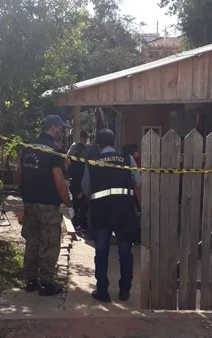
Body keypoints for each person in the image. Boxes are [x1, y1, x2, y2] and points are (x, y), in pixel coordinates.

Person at [15, 114, 74, 296]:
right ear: (54, 128)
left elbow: (19, 174)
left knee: (32, 241)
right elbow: (59, 182)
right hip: (48, 205)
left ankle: (30, 280)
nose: (63, 133)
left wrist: (24, 196)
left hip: (30, 203)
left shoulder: (28, 148)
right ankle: (46, 283)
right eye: (62, 129)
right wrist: (68, 204)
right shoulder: (53, 151)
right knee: (49, 244)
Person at [81, 128, 141, 303]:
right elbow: (138, 182)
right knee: (125, 252)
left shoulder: (93, 162)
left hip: (101, 213)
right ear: (114, 143)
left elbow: (85, 187)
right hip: (124, 213)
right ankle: (124, 291)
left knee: (101, 251)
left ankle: (102, 291)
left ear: (98, 145)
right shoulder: (127, 159)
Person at [66, 130, 91, 237]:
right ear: (84, 138)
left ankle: (77, 225)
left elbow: (67, 158)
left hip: (75, 178)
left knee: (76, 204)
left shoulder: (74, 146)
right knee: (83, 205)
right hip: (83, 177)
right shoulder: (86, 149)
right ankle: (83, 227)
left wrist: (69, 169)